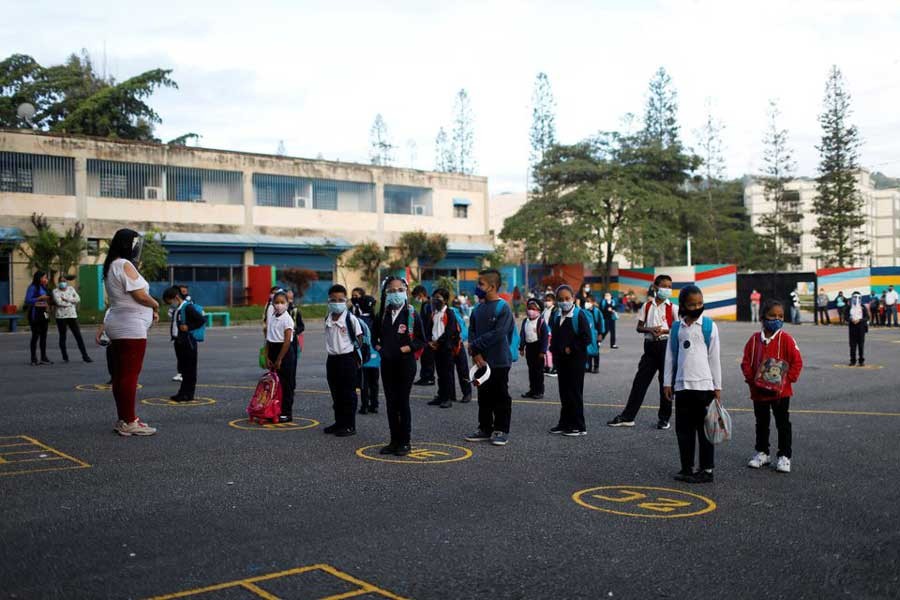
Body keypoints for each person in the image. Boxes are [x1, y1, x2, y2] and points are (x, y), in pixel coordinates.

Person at [103, 229, 159, 436]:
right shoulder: (124, 264)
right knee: (129, 375)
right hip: (130, 326)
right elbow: (139, 295)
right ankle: (129, 421)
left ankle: (125, 418)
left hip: (120, 323)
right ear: (128, 245)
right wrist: (155, 305)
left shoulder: (111, 265)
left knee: (120, 375)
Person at [663, 285, 722, 484]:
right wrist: (667, 383)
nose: (697, 307)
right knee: (683, 430)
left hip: (704, 388)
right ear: (683, 306)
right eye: (692, 304)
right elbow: (670, 356)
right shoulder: (676, 328)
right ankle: (687, 468)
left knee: (705, 431)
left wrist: (717, 387)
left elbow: (715, 358)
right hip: (682, 386)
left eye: (700, 303)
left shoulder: (709, 326)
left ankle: (706, 470)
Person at [741, 299, 803, 474]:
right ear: (762, 318)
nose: (776, 319)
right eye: (772, 316)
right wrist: (751, 379)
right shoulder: (754, 340)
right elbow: (746, 362)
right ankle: (762, 452)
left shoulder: (787, 339)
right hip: (758, 392)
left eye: (780, 316)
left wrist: (786, 381)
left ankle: (784, 456)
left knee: (783, 423)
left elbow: (797, 362)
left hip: (781, 394)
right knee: (761, 422)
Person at [608, 274, 677, 430]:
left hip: (666, 346)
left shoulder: (673, 308)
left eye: (669, 287)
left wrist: (663, 330)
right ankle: (628, 416)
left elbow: (678, 328)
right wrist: (650, 330)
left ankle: (664, 418)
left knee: (665, 383)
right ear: (655, 287)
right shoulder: (647, 306)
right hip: (650, 346)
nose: (667, 289)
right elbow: (639, 327)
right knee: (640, 382)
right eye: (664, 286)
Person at [373, 277, 426, 455]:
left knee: (402, 402)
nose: (395, 293)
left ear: (406, 291)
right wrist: (381, 349)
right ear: (386, 293)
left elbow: (421, 340)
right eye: (391, 290)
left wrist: (406, 348)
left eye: (399, 290)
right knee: (390, 403)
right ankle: (394, 440)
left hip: (405, 365)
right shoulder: (382, 315)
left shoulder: (412, 314)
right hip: (387, 364)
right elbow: (374, 339)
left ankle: (405, 441)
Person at [464, 269, 515, 447]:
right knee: (484, 395)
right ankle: (485, 428)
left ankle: (501, 429)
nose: (477, 287)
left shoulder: (503, 308)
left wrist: (475, 345)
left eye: (481, 284)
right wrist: (476, 353)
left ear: (492, 286)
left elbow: (499, 333)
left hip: (499, 361)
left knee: (500, 396)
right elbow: (472, 331)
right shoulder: (478, 309)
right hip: (481, 361)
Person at [549, 285, 592, 436]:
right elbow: (554, 337)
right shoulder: (556, 315)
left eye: (567, 298)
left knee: (574, 392)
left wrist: (571, 348)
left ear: (573, 298)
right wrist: (554, 353)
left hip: (576, 361)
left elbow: (587, 337)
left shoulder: (579, 315)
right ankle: (564, 422)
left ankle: (578, 426)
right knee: (564, 392)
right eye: (560, 299)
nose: (564, 302)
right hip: (562, 361)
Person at [323, 285, 363, 436]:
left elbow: (359, 339)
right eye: (333, 300)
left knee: (348, 394)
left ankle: (349, 425)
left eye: (340, 300)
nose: (337, 303)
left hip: (347, 359)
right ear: (329, 301)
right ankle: (339, 422)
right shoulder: (328, 317)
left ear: (346, 301)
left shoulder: (350, 319)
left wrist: (355, 357)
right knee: (336, 393)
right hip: (332, 360)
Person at [163, 286, 205, 402]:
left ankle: (189, 394)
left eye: (170, 302)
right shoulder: (177, 309)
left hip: (188, 342)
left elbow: (201, 320)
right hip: (179, 341)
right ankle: (182, 392)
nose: (170, 304)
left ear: (176, 297)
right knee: (184, 370)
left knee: (190, 369)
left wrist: (189, 327)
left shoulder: (188, 307)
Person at [427, 288, 462, 409]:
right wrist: (430, 341)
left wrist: (438, 342)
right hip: (435, 347)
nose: (435, 300)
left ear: (445, 300)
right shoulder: (434, 313)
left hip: (445, 347)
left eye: (438, 297)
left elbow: (449, 332)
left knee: (447, 373)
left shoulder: (449, 313)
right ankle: (440, 395)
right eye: (434, 297)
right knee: (440, 373)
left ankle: (447, 398)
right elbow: (430, 329)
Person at [266, 290, 296, 422]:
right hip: (272, 349)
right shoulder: (272, 316)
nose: (279, 305)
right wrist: (267, 356)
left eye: (282, 302)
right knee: (274, 384)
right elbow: (268, 338)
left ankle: (286, 412)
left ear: (287, 303)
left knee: (286, 384)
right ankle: (274, 409)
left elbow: (287, 341)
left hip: (284, 352)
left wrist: (279, 359)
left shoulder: (287, 319)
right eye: (276, 302)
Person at [52, 275, 92, 363]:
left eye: (64, 281)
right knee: (63, 336)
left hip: (72, 316)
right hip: (61, 317)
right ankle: (65, 356)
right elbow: (59, 302)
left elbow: (78, 299)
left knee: (78, 336)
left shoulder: (71, 289)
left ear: (66, 282)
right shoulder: (55, 291)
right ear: (59, 282)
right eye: (61, 281)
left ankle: (85, 356)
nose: (63, 283)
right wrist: (71, 302)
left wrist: (66, 299)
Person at [352, 292, 378, 415]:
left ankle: (365, 406)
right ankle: (375, 404)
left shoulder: (358, 321)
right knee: (375, 381)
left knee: (364, 382)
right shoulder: (376, 319)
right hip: (376, 354)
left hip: (364, 354)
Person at [519, 298, 549, 400]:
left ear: (539, 311)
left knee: (538, 371)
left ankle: (539, 391)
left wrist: (543, 351)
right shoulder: (525, 321)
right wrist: (522, 347)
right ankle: (532, 390)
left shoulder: (541, 322)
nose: (530, 311)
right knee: (531, 370)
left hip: (538, 348)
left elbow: (545, 338)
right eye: (529, 308)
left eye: (533, 308)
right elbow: (522, 335)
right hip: (529, 348)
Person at [25, 271, 52, 366]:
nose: (46, 279)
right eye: (44, 277)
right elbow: (28, 300)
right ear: (39, 278)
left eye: (46, 278)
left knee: (44, 337)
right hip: (35, 315)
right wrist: (39, 298)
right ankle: (33, 358)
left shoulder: (44, 288)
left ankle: (43, 357)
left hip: (44, 314)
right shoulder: (32, 287)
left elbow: (48, 300)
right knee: (35, 336)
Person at [450, 297, 473, 404]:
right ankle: (450, 394)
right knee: (448, 371)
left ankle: (467, 393)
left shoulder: (453, 313)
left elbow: (464, 330)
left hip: (457, 345)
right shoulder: (437, 313)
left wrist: (459, 338)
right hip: (446, 346)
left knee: (463, 370)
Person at [412, 285, 435, 386]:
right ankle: (424, 377)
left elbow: (429, 322)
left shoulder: (428, 305)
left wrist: (427, 337)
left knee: (428, 358)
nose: (416, 299)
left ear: (421, 294)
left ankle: (429, 378)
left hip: (428, 337)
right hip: (425, 336)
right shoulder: (426, 304)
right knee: (424, 358)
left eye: (416, 296)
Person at [844, 291, 869, 367]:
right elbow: (845, 317)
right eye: (854, 298)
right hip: (852, 328)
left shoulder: (863, 307)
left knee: (861, 345)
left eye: (857, 298)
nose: (855, 299)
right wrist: (851, 320)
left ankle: (861, 361)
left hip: (861, 327)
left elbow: (867, 317)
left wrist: (860, 320)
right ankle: (852, 360)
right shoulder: (849, 307)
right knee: (852, 345)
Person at [582, 294, 605, 374]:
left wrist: (600, 334)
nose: (586, 303)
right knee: (587, 350)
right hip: (587, 334)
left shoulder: (597, 312)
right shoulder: (583, 311)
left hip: (595, 334)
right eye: (586, 301)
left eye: (588, 302)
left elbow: (601, 323)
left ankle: (596, 367)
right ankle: (588, 366)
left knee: (596, 351)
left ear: (593, 302)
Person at [542, 292, 558, 377]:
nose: (547, 302)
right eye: (546, 300)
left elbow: (555, 323)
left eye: (549, 300)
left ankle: (554, 367)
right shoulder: (545, 310)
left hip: (551, 333)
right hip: (545, 333)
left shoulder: (555, 310)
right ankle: (546, 366)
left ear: (553, 301)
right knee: (545, 350)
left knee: (551, 350)